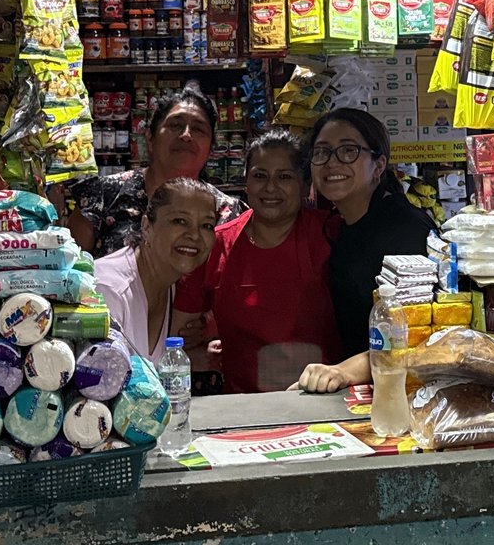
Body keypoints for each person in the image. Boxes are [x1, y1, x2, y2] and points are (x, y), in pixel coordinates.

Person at [174, 131, 340, 394]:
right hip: (244, 409)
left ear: (305, 184)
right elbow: (178, 336)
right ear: (246, 183)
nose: (270, 187)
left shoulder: (330, 235)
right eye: (260, 176)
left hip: (323, 402)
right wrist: (201, 344)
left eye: (284, 177)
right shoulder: (215, 245)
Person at [290, 108, 435, 394]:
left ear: (378, 165)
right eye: (322, 152)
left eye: (348, 151)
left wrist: (343, 371)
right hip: (362, 389)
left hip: (404, 391)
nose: (332, 163)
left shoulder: (406, 230)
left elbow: (417, 336)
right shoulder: (338, 224)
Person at [66, 87, 241, 257]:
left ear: (211, 148)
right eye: (175, 125)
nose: (186, 135)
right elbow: (69, 270)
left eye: (198, 129)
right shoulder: (103, 195)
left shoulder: (226, 212)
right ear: (150, 138)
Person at [94, 178, 221, 363]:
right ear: (146, 226)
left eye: (207, 226)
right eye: (180, 221)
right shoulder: (109, 291)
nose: (194, 235)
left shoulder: (170, 283)